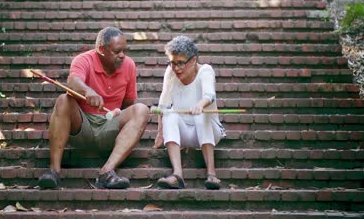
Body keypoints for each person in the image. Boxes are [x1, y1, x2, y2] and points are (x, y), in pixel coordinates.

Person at [38, 27, 149, 189]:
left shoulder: (129, 65)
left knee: (142, 109)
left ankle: (107, 172)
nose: (122, 55)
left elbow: (128, 105)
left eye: (124, 51)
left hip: (110, 126)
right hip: (82, 126)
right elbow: (72, 82)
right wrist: (88, 91)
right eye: (117, 51)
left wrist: (118, 114)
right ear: (101, 50)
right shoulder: (83, 60)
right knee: (63, 99)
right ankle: (54, 171)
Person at [153, 35, 226, 189]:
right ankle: (177, 175)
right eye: (173, 63)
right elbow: (164, 103)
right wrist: (160, 133)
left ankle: (211, 174)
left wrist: (200, 105)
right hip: (185, 132)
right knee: (170, 113)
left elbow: (209, 95)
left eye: (181, 63)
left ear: (193, 61)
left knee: (201, 115)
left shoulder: (205, 70)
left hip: (210, 131)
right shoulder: (171, 72)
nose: (177, 68)